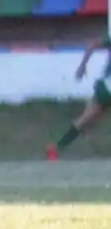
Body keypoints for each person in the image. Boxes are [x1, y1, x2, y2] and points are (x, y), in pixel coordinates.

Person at [46, 32, 111, 161]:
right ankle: (57, 148)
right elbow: (93, 44)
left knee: (87, 118)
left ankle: (56, 148)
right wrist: (82, 66)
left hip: (105, 85)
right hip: (108, 86)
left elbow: (93, 44)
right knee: (87, 117)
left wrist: (82, 66)